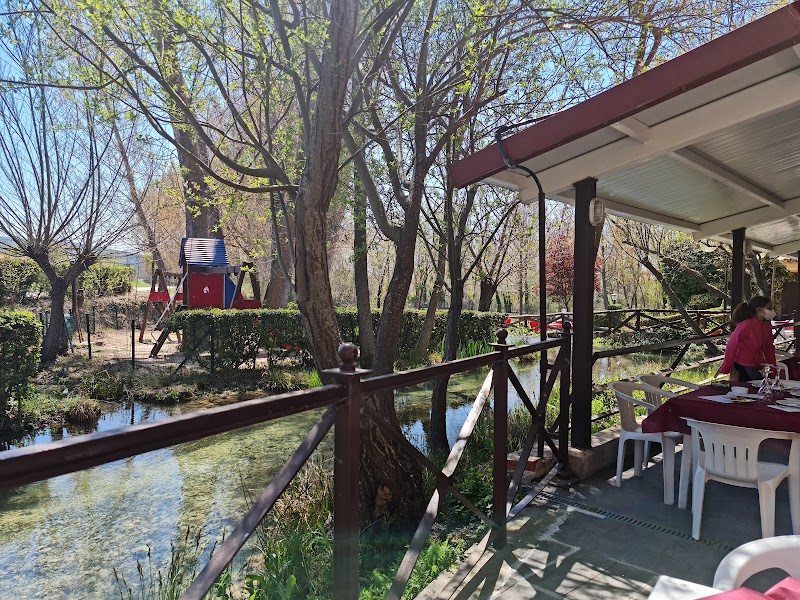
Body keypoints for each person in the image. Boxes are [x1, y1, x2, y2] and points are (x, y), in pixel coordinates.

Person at [720, 295, 776, 382]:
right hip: (743, 363)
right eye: (769, 308)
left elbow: (769, 348)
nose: (772, 311)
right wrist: (726, 366)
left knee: (759, 385)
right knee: (756, 385)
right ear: (759, 310)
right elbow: (732, 345)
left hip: (757, 363)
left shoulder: (766, 327)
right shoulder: (746, 325)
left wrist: (773, 367)